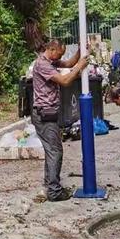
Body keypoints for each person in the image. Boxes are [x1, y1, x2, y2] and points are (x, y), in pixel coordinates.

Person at [32, 39, 89, 202]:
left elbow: (70, 63)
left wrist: (80, 50)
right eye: (59, 53)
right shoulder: (42, 64)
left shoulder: (51, 61)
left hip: (49, 113)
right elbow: (65, 81)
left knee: (52, 151)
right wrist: (80, 67)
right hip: (44, 115)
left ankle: (50, 185)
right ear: (51, 49)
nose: (60, 57)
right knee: (55, 151)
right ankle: (54, 192)